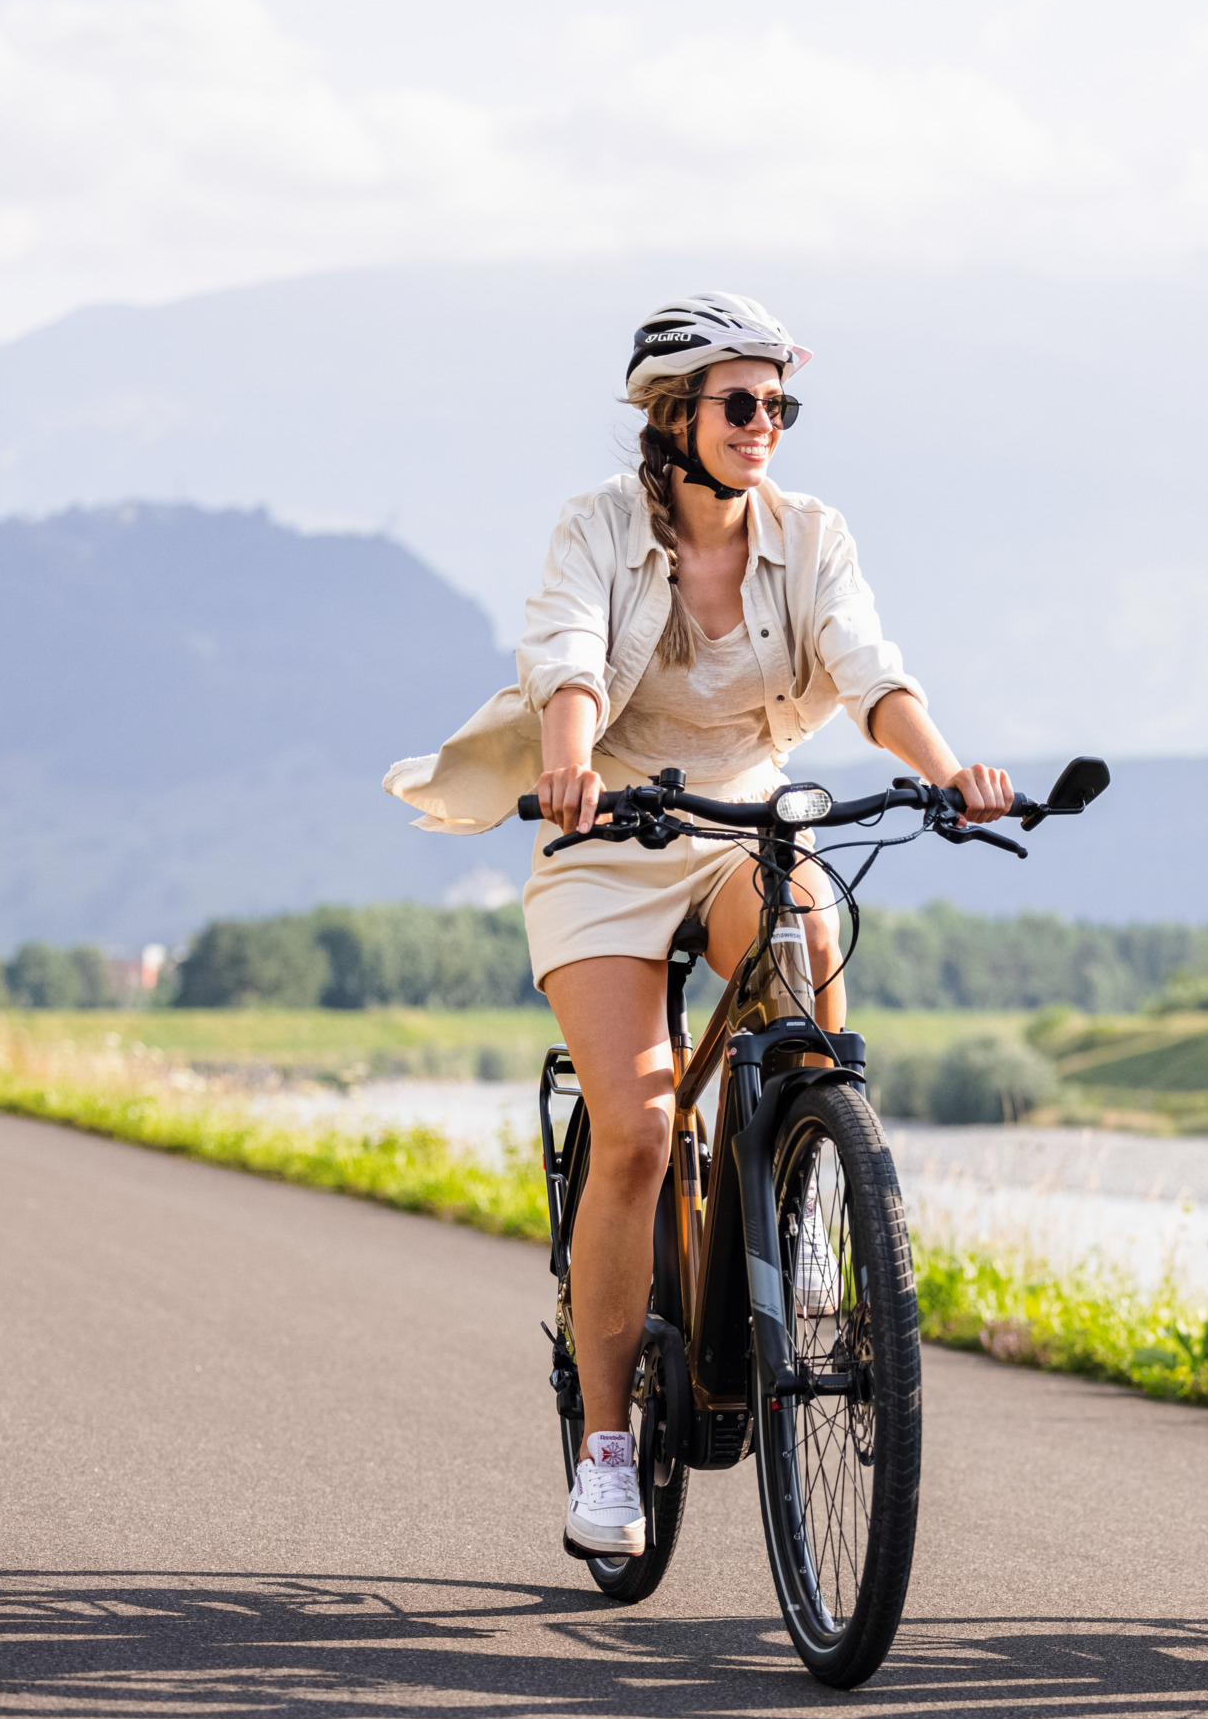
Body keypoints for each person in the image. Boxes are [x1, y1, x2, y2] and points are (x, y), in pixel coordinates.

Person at [388, 291, 1011, 1561]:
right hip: (610, 832)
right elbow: (566, 658)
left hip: (742, 822)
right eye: (742, 402)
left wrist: (947, 770)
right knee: (632, 1129)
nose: (765, 424)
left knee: (811, 957)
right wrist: (568, 765)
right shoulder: (598, 527)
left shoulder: (811, 533)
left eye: (780, 404)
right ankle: (610, 1444)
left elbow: (868, 670)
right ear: (674, 417)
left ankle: (809, 1202)